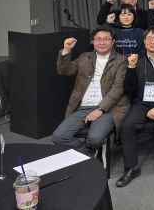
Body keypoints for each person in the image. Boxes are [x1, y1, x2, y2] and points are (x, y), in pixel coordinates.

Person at [116, 27, 154, 187]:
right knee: (127, 126)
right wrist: (130, 68)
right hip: (141, 103)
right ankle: (130, 168)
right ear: (143, 42)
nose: (152, 41)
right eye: (149, 39)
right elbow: (128, 90)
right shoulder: (136, 60)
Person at [52, 27, 129, 157]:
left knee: (95, 139)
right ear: (93, 41)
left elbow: (118, 89)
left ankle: (88, 152)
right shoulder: (85, 57)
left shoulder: (121, 60)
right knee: (59, 137)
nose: (102, 42)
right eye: (98, 39)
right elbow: (64, 70)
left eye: (106, 39)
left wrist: (100, 109)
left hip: (109, 108)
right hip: (83, 107)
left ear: (113, 41)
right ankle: (90, 152)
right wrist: (66, 50)